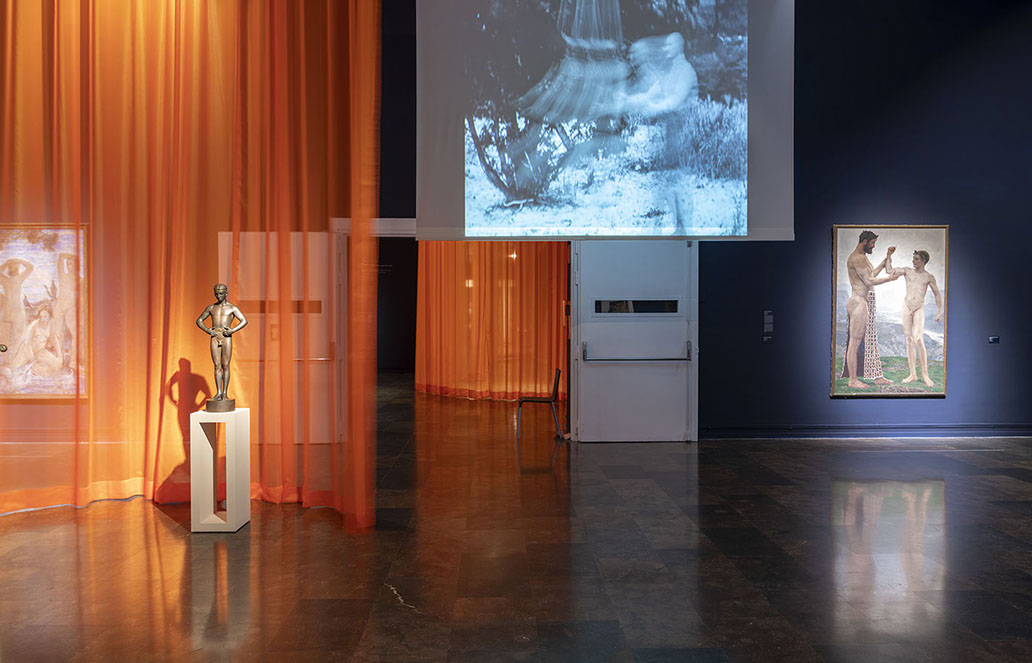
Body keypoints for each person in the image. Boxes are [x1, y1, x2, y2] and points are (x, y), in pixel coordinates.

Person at [843, 231, 900, 389]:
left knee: (871, 340)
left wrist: (887, 258)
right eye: (873, 243)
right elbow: (869, 281)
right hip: (859, 302)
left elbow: (871, 274)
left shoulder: (863, 257)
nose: (873, 246)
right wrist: (889, 279)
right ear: (865, 241)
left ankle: (877, 377)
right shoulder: (856, 258)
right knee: (855, 342)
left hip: (866, 302)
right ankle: (852, 380)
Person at [887, 250, 943, 387]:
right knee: (908, 339)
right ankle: (913, 374)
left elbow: (937, 294)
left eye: (916, 259)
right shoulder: (907, 271)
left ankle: (925, 374)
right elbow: (889, 270)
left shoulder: (929, 277)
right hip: (906, 306)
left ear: (923, 261)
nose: (913, 261)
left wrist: (940, 311)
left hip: (919, 307)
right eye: (913, 258)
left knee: (918, 338)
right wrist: (888, 255)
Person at [195, 284, 248, 402]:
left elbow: (244, 321)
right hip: (215, 337)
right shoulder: (211, 308)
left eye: (220, 294)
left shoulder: (232, 308)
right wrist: (208, 330)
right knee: (217, 365)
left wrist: (232, 330)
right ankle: (219, 391)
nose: (218, 296)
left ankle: (225, 393)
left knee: (226, 365)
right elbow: (199, 320)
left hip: (226, 337)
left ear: (226, 294)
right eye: (216, 294)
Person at [0, 258, 33, 356]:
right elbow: (30, 267)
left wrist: (7, 263)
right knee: (18, 338)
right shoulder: (18, 279)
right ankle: (13, 360)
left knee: (4, 339)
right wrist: (19, 261)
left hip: (7, 312)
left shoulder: (4, 280)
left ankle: (6, 360)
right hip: (17, 311)